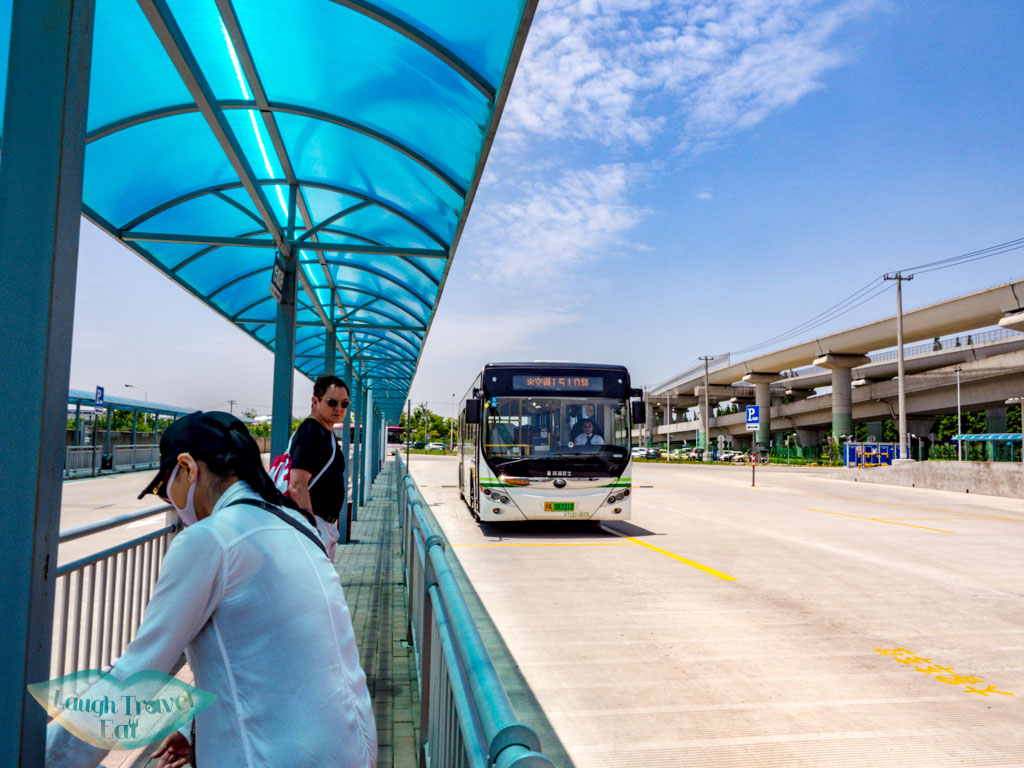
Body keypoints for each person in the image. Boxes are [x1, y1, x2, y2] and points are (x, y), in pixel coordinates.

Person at [46, 411, 377, 768]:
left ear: (188, 468)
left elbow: (136, 677)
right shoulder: (296, 524)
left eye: (163, 488)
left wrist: (38, 755)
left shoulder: (210, 539)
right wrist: (195, 727)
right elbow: (262, 655)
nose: (169, 500)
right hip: (349, 747)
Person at [287, 375, 350, 559]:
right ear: (315, 401)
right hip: (315, 525)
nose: (338, 408)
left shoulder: (324, 433)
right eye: (332, 402)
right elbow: (297, 486)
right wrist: (311, 529)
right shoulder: (311, 435)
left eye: (344, 404)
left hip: (324, 525)